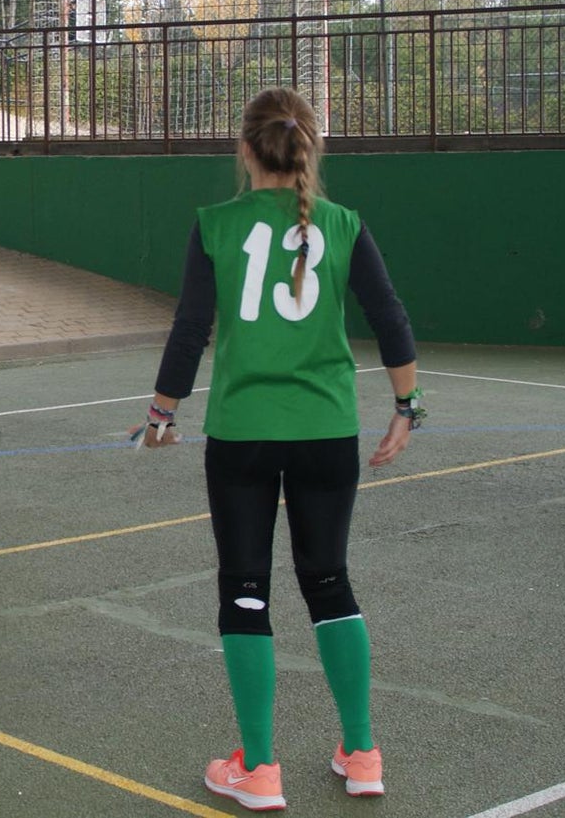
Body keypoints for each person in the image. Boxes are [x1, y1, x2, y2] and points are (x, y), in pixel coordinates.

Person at [134, 87, 422, 811]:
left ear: (244, 150)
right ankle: (362, 752)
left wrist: (162, 410)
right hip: (326, 429)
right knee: (329, 581)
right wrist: (406, 406)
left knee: (245, 587)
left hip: (243, 433)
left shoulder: (215, 225)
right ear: (307, 148)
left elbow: (191, 325)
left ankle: (259, 769)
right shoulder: (344, 223)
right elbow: (389, 312)